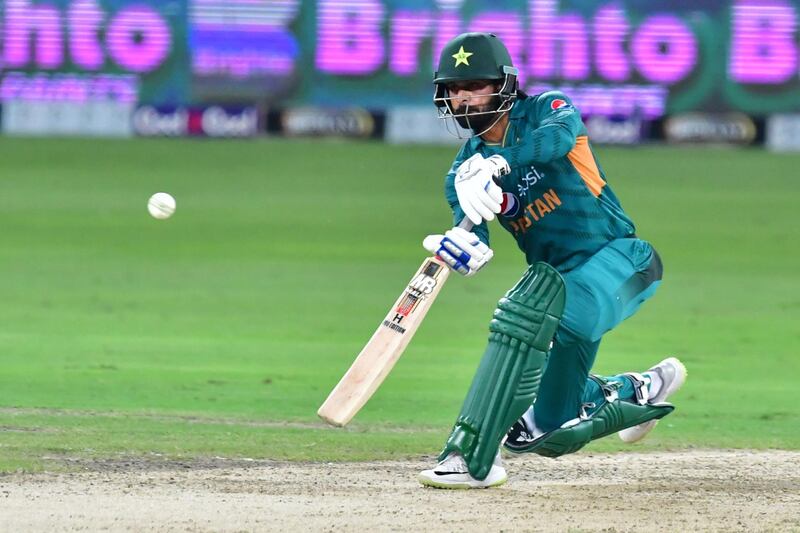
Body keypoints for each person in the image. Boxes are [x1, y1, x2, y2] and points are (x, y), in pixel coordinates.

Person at [417, 32, 687, 489]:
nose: (463, 99)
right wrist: (463, 249)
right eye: (454, 89)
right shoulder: (461, 175)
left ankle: (467, 457)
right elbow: (476, 237)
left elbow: (559, 141)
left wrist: (502, 163)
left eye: (475, 85)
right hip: (555, 291)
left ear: (504, 84)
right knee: (541, 433)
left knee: (539, 310)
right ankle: (635, 390)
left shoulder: (548, 110)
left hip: (623, 261)